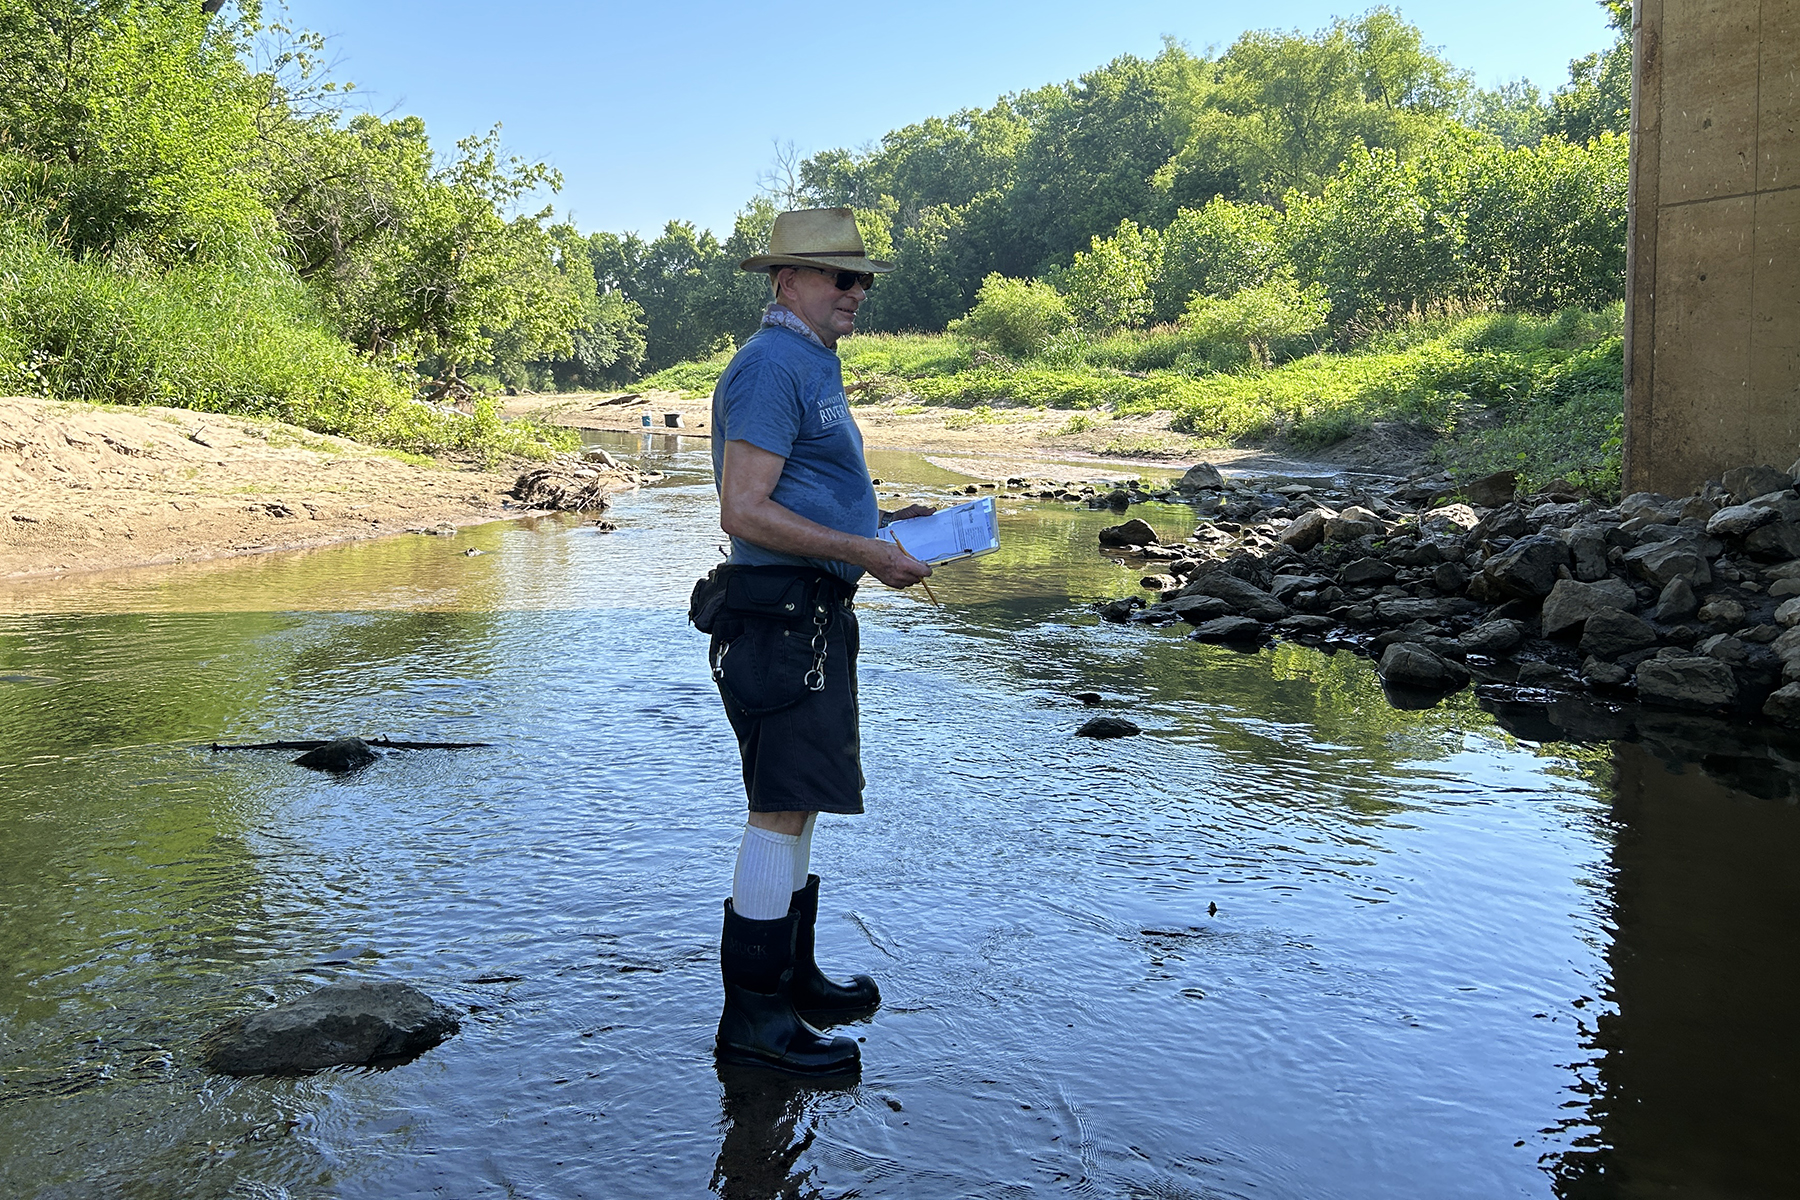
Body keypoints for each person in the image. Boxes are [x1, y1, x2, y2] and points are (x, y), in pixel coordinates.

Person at [699, 207, 933, 1075]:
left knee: (799, 801)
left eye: (863, 278)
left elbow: (804, 492)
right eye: (842, 277)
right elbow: (743, 509)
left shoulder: (807, 362)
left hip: (807, 614)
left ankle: (792, 981)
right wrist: (862, 550)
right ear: (787, 281)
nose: (858, 291)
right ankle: (754, 1023)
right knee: (779, 807)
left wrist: (886, 526)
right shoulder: (769, 366)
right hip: (777, 617)